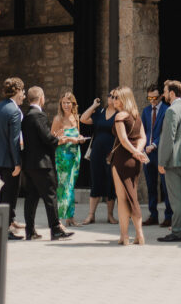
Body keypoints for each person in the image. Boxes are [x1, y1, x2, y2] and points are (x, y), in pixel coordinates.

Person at [22, 86, 74, 241]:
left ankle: (30, 230)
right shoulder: (39, 115)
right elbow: (46, 138)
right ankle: (55, 228)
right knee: (51, 195)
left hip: (30, 163)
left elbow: (37, 138)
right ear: (41, 97)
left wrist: (52, 136)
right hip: (42, 164)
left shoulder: (27, 116)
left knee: (31, 197)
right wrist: (58, 140)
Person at [110, 87, 148, 245]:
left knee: (122, 198)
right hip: (135, 160)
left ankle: (124, 236)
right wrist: (138, 152)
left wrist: (134, 152)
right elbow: (143, 137)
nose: (113, 100)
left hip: (122, 159)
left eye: (117, 97)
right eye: (113, 97)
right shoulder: (136, 116)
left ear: (124, 98)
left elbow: (123, 139)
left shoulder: (120, 116)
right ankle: (139, 235)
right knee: (132, 196)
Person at [156, 80, 181, 243]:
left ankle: (177, 231)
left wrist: (162, 161)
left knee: (176, 199)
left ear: (172, 93)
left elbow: (167, 139)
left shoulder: (172, 111)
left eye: (165, 91)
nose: (163, 94)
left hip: (173, 160)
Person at [0, 77, 25, 240]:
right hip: (10, 160)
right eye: (22, 90)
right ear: (17, 91)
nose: (23, 94)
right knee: (9, 196)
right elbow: (14, 139)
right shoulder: (14, 111)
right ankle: (4, 229)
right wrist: (17, 162)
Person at [79, 93, 117, 224]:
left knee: (111, 182)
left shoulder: (119, 114)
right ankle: (91, 215)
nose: (111, 98)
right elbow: (83, 119)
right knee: (96, 180)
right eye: (110, 95)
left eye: (114, 96)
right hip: (97, 151)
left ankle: (110, 215)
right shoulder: (100, 111)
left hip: (111, 153)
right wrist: (94, 105)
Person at [141, 83, 173, 227]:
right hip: (147, 153)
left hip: (161, 152)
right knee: (150, 185)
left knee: (166, 186)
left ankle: (168, 216)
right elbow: (144, 130)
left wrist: (154, 144)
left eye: (154, 97)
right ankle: (153, 214)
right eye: (149, 97)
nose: (152, 100)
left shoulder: (167, 110)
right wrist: (143, 146)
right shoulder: (146, 111)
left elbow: (165, 133)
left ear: (160, 96)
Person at [52, 91, 84, 226]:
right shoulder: (58, 119)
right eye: (64, 102)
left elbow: (78, 135)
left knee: (71, 186)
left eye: (68, 102)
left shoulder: (75, 117)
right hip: (62, 156)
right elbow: (52, 140)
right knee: (62, 186)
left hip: (75, 155)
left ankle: (70, 217)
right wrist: (71, 139)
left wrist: (80, 139)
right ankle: (59, 218)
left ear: (73, 104)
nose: (66, 105)